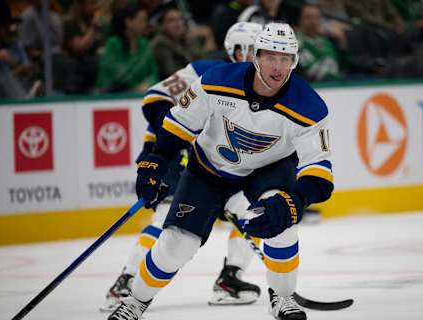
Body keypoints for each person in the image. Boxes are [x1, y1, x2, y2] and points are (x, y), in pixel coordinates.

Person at [107, 22, 334, 320]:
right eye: (270, 57)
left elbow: (320, 173)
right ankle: (135, 301)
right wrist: (157, 159)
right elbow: (177, 123)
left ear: (294, 62)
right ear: (256, 56)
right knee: (177, 244)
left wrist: (296, 201)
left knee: (282, 222)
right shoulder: (215, 79)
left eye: (285, 59)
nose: (277, 67)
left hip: (267, 169)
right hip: (208, 169)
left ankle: (281, 296)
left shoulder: (310, 107)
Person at [101, 22, 265, 312]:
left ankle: (231, 279)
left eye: (259, 51)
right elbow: (154, 99)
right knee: (166, 215)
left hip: (217, 167)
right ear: (233, 50)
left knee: (254, 212)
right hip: (173, 156)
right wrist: (186, 131)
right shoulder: (204, 70)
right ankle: (127, 280)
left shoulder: (260, 89)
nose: (254, 57)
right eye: (249, 50)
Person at [96, 4, 158, 93]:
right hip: (110, 94)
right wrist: (137, 86)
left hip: (141, 93)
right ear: (128, 22)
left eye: (145, 21)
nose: (145, 24)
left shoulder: (145, 44)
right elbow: (119, 75)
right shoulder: (113, 43)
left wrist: (148, 83)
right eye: (141, 21)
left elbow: (153, 73)